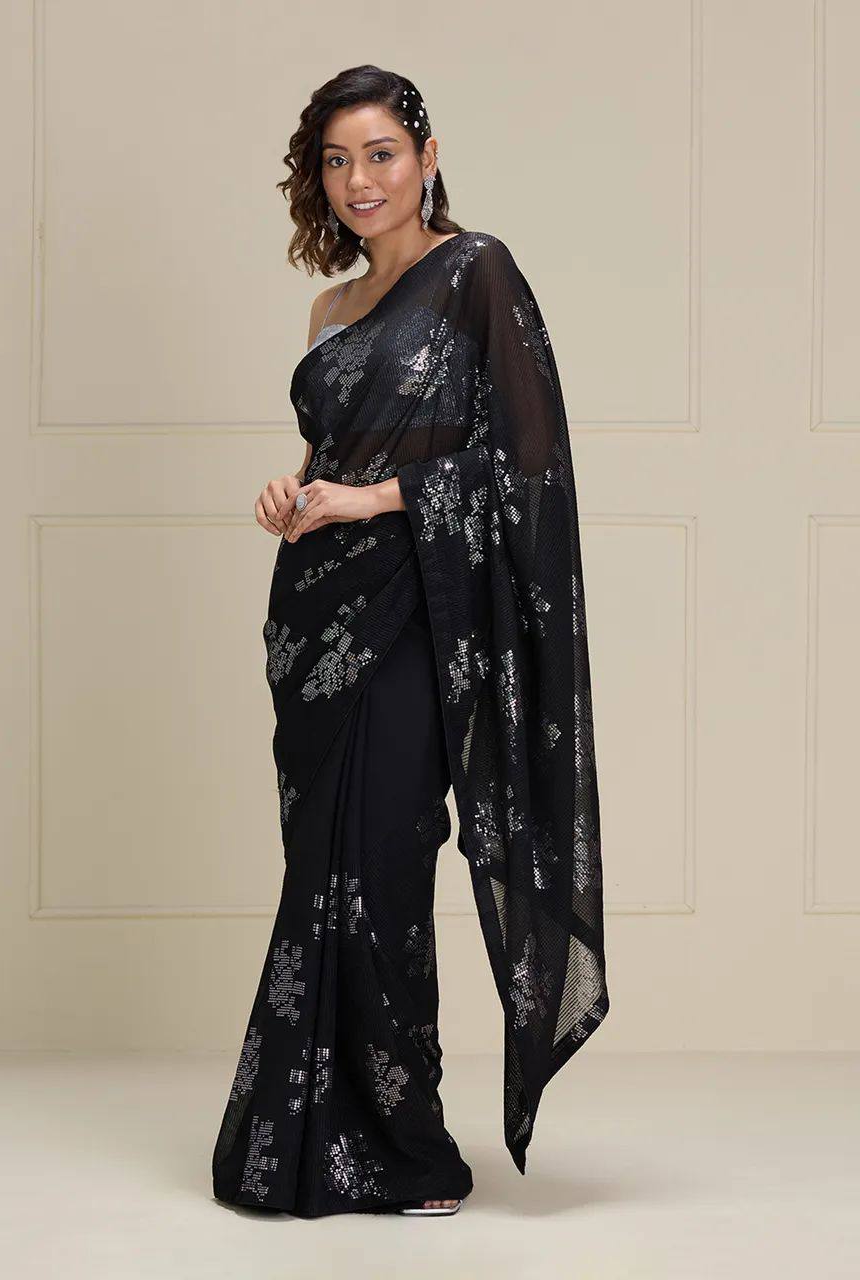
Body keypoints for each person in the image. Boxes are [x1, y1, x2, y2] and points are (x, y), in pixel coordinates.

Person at [211, 64, 610, 1220]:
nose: (359, 181)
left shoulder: (476, 271)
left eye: (380, 154)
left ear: (426, 158)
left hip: (419, 612)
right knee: (320, 870)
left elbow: (526, 463)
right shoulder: (331, 310)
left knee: (385, 861)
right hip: (314, 623)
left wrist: (375, 500)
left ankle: (405, 1145)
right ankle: (304, 1139)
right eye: (337, 161)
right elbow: (330, 464)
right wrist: (296, 497)